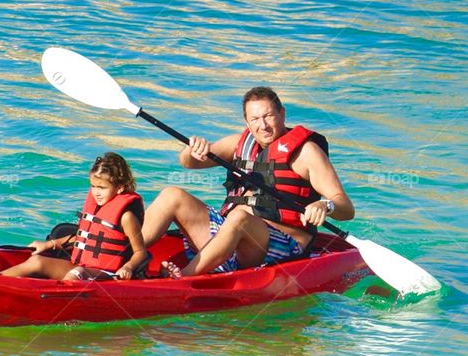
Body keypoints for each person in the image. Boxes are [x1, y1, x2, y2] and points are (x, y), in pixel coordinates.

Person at [140, 86, 354, 278]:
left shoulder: (306, 153)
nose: (263, 125)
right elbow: (189, 163)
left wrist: (325, 205)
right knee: (172, 195)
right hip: (228, 238)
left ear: (282, 113)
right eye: (255, 119)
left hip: (282, 246)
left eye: (268, 116)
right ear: (247, 121)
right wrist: (192, 150)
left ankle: (184, 277)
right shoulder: (238, 144)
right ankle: (127, 258)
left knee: (239, 217)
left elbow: (346, 208)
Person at [0, 152, 149, 281]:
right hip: (81, 265)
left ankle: (53, 301)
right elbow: (84, 237)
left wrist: (128, 267)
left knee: (77, 274)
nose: (96, 193)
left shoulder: (126, 217)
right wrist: (49, 244)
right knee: (36, 261)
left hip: (107, 273)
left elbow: (140, 252)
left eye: (102, 188)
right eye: (93, 186)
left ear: (119, 188)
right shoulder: (98, 208)